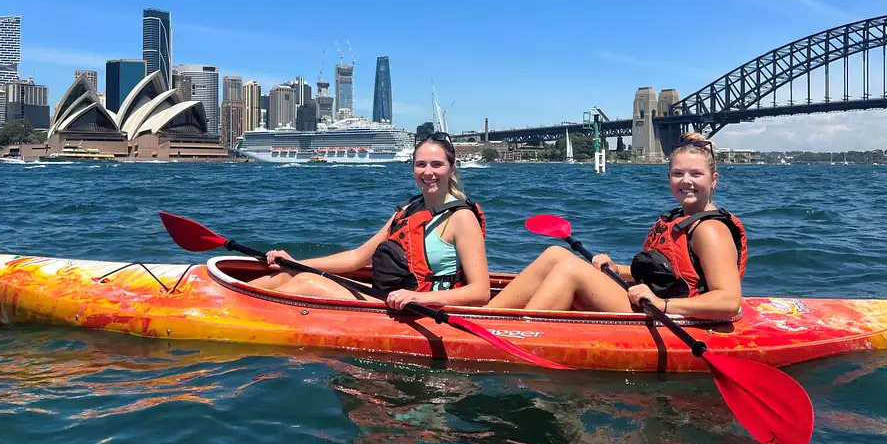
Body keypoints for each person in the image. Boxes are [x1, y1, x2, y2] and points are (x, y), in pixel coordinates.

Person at [489, 132, 746, 319]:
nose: (686, 181)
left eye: (696, 174)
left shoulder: (711, 230)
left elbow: (728, 300)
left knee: (570, 269)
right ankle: (482, 317)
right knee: (555, 254)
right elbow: (670, 276)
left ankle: (519, 334)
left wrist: (662, 304)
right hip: (656, 302)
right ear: (669, 177)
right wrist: (617, 269)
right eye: (678, 173)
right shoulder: (678, 218)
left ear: (713, 180)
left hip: (674, 315)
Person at [250, 133, 491, 311]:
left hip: (422, 309)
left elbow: (480, 293)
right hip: (390, 300)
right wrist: (295, 263)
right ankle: (236, 299)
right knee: (289, 276)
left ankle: (249, 314)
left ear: (451, 169)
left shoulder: (461, 218)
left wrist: (418, 298)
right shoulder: (409, 210)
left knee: (306, 282)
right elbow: (358, 258)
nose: (428, 172)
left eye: (437, 164)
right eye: (421, 164)